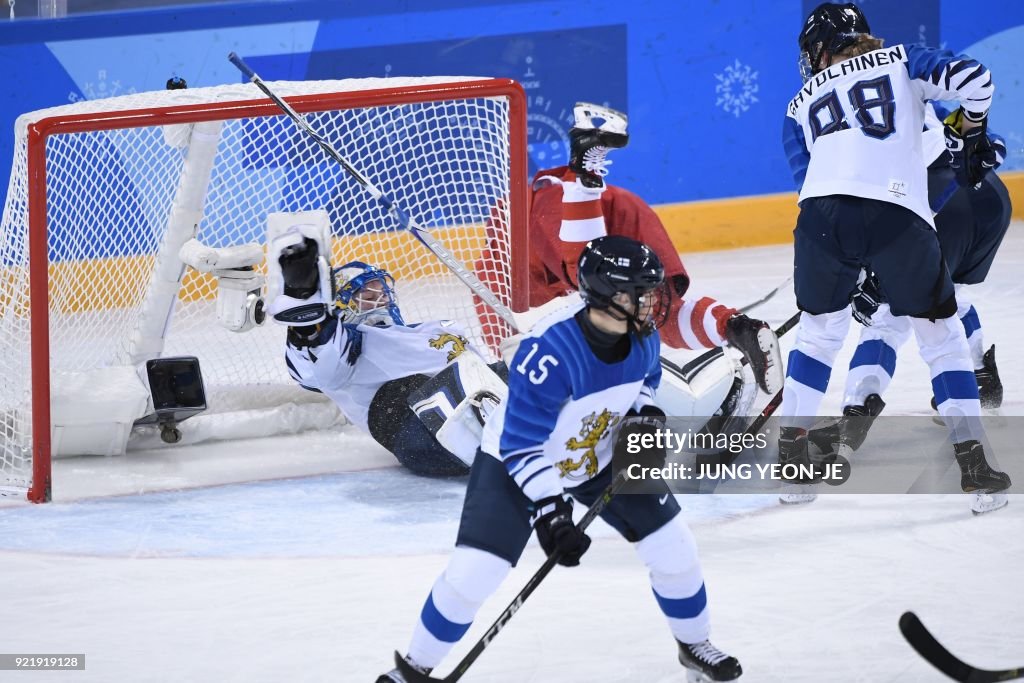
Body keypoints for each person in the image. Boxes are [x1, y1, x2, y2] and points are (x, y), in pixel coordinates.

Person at [378, 235, 743, 683]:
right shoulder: (549, 353)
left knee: (675, 547)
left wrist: (643, 412)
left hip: (599, 451)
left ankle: (694, 645)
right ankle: (413, 669)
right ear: (609, 297)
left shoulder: (641, 336)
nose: (654, 303)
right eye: (641, 292)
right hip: (516, 463)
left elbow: (646, 378)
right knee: (476, 572)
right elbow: (521, 445)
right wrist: (551, 512)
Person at [778, 3, 1011, 504]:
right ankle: (974, 466)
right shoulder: (903, 60)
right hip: (899, 215)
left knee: (818, 336)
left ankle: (791, 462)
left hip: (820, 219)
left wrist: (851, 265)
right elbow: (976, 78)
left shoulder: (797, 105)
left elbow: (810, 183)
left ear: (819, 49)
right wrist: (972, 130)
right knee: (940, 336)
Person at [475, 102, 783, 397]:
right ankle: (734, 327)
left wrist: (510, 372)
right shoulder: (506, 254)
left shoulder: (503, 259)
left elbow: (507, 346)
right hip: (621, 207)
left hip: (561, 220)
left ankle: (584, 178)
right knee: (660, 313)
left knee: (599, 291)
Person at [265, 214, 507, 477]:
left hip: (482, 397)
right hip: (415, 427)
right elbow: (319, 367)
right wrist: (309, 317)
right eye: (368, 296)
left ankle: (516, 428)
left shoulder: (437, 328)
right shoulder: (351, 344)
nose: (380, 300)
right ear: (340, 306)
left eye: (383, 293)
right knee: (406, 391)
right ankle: (499, 436)